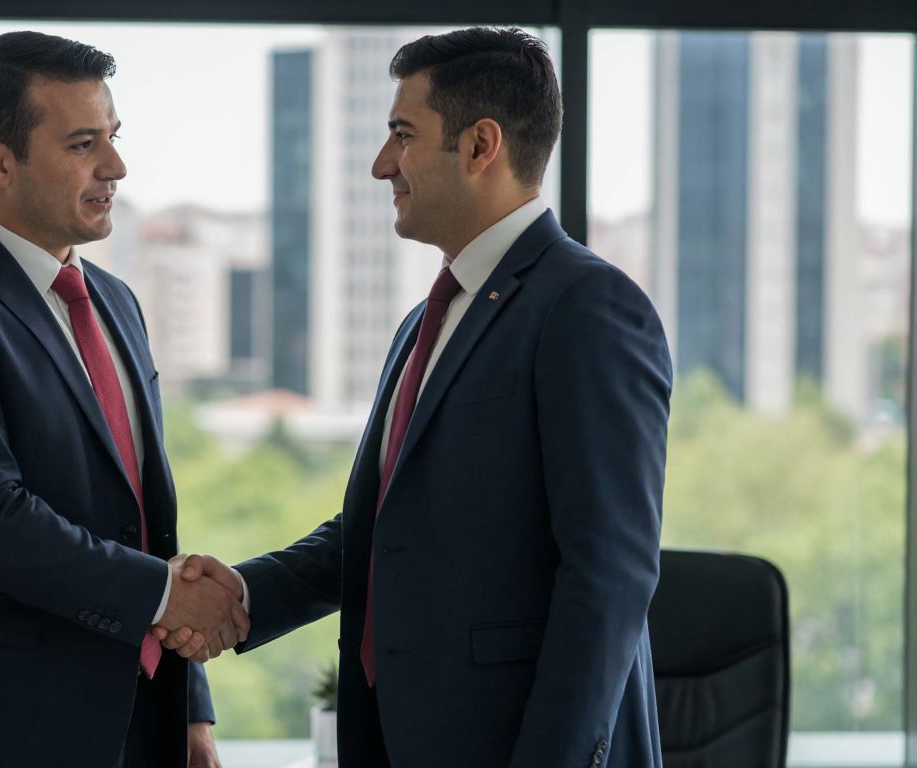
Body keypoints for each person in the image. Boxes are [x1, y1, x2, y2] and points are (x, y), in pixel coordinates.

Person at [166, 27, 672, 767]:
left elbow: (608, 578)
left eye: (402, 135)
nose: (381, 165)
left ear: (480, 146)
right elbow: (382, 526)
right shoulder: (423, 323)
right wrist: (245, 595)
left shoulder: (588, 308)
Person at [0, 31, 246, 768]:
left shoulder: (116, 302)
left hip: (136, 721)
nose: (115, 167)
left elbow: (145, 524)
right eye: (82, 144)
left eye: (113, 137)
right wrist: (169, 599)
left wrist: (190, 710)